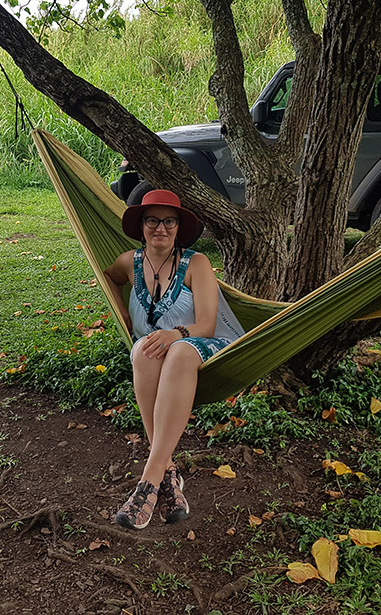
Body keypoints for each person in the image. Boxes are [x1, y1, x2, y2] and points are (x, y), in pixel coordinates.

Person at [103, 189, 244, 529]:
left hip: (199, 345)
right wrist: (121, 311)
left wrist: (174, 334)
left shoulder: (196, 263)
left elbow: (207, 325)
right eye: (153, 220)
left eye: (169, 221)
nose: (160, 228)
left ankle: (150, 480)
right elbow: (108, 276)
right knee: (142, 349)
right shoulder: (129, 262)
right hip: (153, 353)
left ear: (179, 227)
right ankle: (169, 477)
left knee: (175, 351)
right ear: (142, 226)